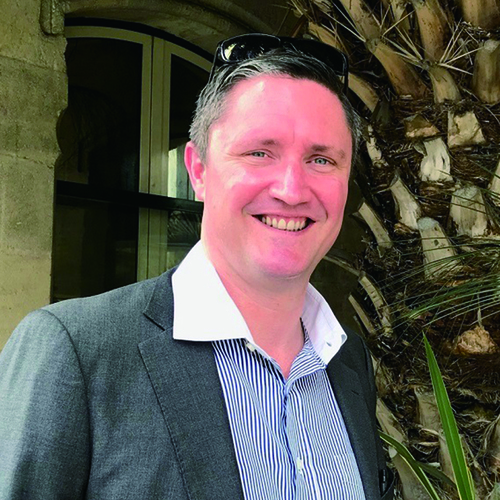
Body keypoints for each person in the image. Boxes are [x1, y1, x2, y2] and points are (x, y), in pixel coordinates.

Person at [0, 34, 394, 499]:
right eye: (259, 152)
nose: (291, 190)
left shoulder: (348, 363)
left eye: (322, 159)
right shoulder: (77, 352)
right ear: (199, 170)